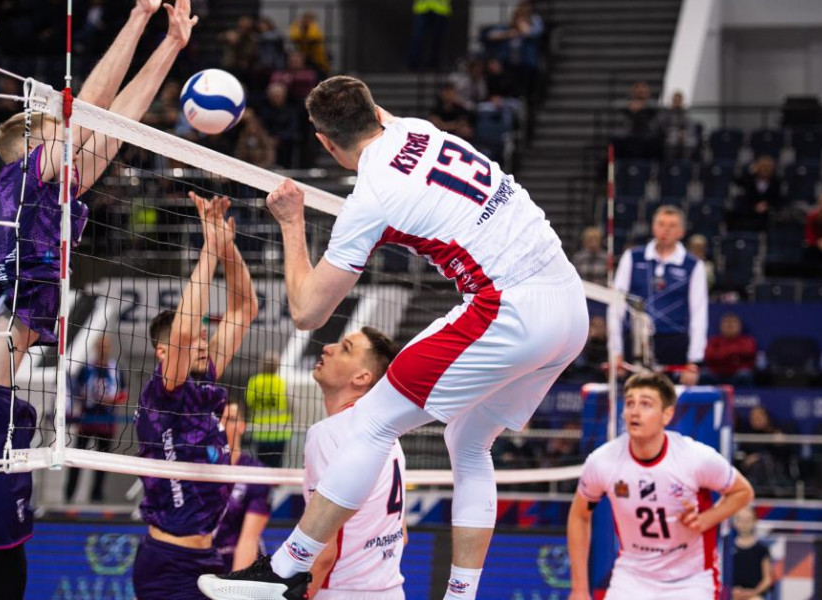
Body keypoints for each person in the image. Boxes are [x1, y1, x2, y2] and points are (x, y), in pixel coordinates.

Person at [200, 75, 588, 599]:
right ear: (376, 111)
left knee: (372, 422)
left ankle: (286, 569)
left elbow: (308, 312)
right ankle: (461, 595)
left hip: (509, 307)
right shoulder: (418, 129)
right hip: (570, 305)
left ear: (325, 143)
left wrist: (292, 223)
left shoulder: (371, 198)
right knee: (470, 441)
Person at [0, 2, 198, 598]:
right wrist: (138, 19)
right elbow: (91, 110)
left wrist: (169, 43)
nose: (79, 137)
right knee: (2, 569)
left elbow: (114, 125)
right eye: (60, 130)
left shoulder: (46, 197)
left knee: (3, 565)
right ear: (33, 144)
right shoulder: (21, 180)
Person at [133, 193, 258, 600]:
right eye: (194, 339)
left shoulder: (204, 379)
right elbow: (185, 334)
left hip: (208, 555)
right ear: (163, 353)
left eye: (207, 336)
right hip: (168, 561)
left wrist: (227, 246)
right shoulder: (163, 391)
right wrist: (209, 249)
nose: (203, 342)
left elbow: (244, 308)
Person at [567, 372, 755, 599]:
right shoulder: (603, 461)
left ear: (667, 415)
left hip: (690, 580)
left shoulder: (695, 457)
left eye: (645, 404)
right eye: (630, 403)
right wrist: (579, 590)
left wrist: (707, 519)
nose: (635, 411)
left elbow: (743, 491)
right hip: (632, 576)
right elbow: (579, 516)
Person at [302, 328, 406, 599]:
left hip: (340, 590)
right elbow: (402, 535)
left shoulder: (329, 434)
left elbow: (324, 551)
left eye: (345, 348)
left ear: (361, 377)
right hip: (391, 590)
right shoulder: (390, 436)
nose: (327, 347)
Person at [610, 205, 708, 384]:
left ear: (681, 231)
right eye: (661, 224)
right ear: (653, 227)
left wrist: (694, 360)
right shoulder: (633, 257)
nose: (666, 230)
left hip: (673, 341)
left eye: (672, 225)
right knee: (636, 395)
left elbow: (699, 313)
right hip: (636, 339)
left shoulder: (693, 265)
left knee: (669, 396)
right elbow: (616, 305)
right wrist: (616, 351)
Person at [66, 333, 127, 503]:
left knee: (102, 462)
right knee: (77, 461)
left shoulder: (116, 370)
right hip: (86, 421)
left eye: (105, 346)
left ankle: (97, 496)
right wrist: (87, 398)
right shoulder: (86, 368)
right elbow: (74, 391)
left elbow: (124, 394)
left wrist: (110, 400)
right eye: (100, 346)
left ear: (110, 348)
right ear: (95, 348)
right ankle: (69, 494)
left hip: (107, 422)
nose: (103, 349)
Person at [214, 400, 272, 572]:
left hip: (242, 565)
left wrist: (233, 584)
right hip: (206, 562)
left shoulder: (255, 473)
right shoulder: (200, 469)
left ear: (242, 426)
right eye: (218, 418)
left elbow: (249, 539)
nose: (222, 424)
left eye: (230, 419)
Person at [245, 351, 291, 468]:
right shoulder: (282, 383)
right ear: (277, 366)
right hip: (279, 433)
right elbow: (292, 406)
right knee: (276, 466)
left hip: (260, 432)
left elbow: (248, 402)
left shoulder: (254, 381)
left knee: (261, 466)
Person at [730, 156, 785, 232]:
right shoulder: (750, 180)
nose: (765, 170)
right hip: (750, 212)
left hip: (768, 213)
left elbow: (778, 199)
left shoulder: (776, 182)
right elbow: (738, 181)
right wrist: (750, 172)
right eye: (763, 167)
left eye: (767, 168)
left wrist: (767, 206)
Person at [731, 507, 773, 600]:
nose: (744, 523)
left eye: (748, 520)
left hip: (754, 595)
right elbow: (721, 575)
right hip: (732, 595)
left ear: (754, 521)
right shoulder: (728, 549)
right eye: (740, 519)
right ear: (735, 522)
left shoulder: (761, 549)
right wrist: (731, 591)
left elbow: (767, 579)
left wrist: (753, 592)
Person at [703, 313, 755, 387]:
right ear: (721, 327)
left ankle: (744, 394)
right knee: (704, 374)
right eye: (726, 324)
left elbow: (749, 352)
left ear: (739, 326)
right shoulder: (714, 341)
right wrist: (734, 356)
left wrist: (721, 355)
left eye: (733, 324)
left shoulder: (747, 341)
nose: (729, 326)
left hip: (737, 374)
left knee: (744, 375)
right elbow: (708, 355)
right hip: (717, 374)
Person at [407, 0, 451, 71]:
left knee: (437, 38)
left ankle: (434, 64)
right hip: (422, 7)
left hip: (440, 8)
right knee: (418, 36)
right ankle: (413, 64)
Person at [289, 11, 330, 76]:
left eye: (309, 20)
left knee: (319, 74)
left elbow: (313, 36)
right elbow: (294, 36)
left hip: (317, 59)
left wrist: (309, 28)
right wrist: (300, 28)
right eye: (305, 19)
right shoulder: (297, 26)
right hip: (303, 58)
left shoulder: (314, 27)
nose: (306, 21)